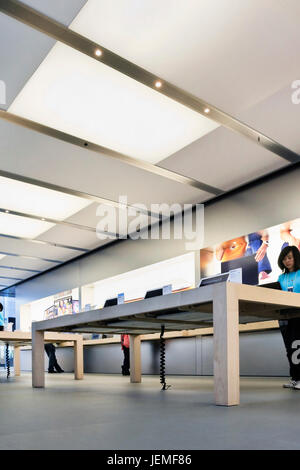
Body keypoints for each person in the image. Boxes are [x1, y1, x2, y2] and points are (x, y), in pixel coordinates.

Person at [277, 246, 300, 390]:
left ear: (296, 258)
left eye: (290, 257)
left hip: (298, 315)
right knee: (289, 349)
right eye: (284, 258)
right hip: (284, 316)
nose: (287, 261)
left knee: (297, 347)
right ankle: (295, 378)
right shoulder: (281, 277)